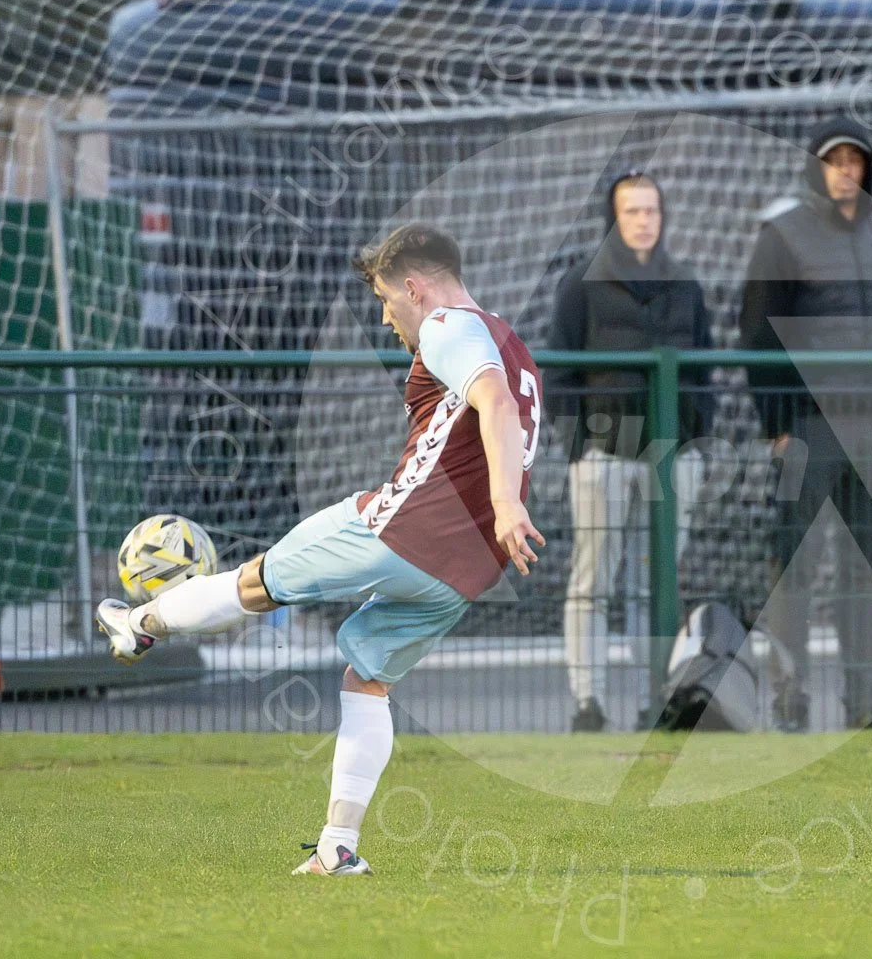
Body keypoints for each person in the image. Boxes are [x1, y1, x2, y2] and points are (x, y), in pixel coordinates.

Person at [94, 224, 545, 876]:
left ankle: (136, 624)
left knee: (255, 586)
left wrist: (507, 504)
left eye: (387, 301)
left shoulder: (449, 324)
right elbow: (506, 412)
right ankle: (338, 848)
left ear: (414, 287)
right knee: (368, 680)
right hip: (467, 570)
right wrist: (498, 511)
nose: (387, 319)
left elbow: (495, 406)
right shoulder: (517, 344)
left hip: (399, 528)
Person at [738, 116, 872, 731]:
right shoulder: (783, 234)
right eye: (834, 159)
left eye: (856, 160)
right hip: (810, 428)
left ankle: (864, 700)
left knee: (866, 566)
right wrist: (779, 422)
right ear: (815, 166)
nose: (847, 170)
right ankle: (789, 697)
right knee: (794, 563)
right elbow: (757, 333)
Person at [548, 170, 715, 732]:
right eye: (632, 211)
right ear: (613, 218)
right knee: (592, 582)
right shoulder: (580, 283)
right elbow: (561, 371)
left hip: (674, 459)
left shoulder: (685, 283)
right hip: (604, 457)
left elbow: (705, 370)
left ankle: (655, 700)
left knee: (657, 583)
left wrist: (696, 439)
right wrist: (578, 447)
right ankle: (587, 704)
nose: (643, 221)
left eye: (651, 211)